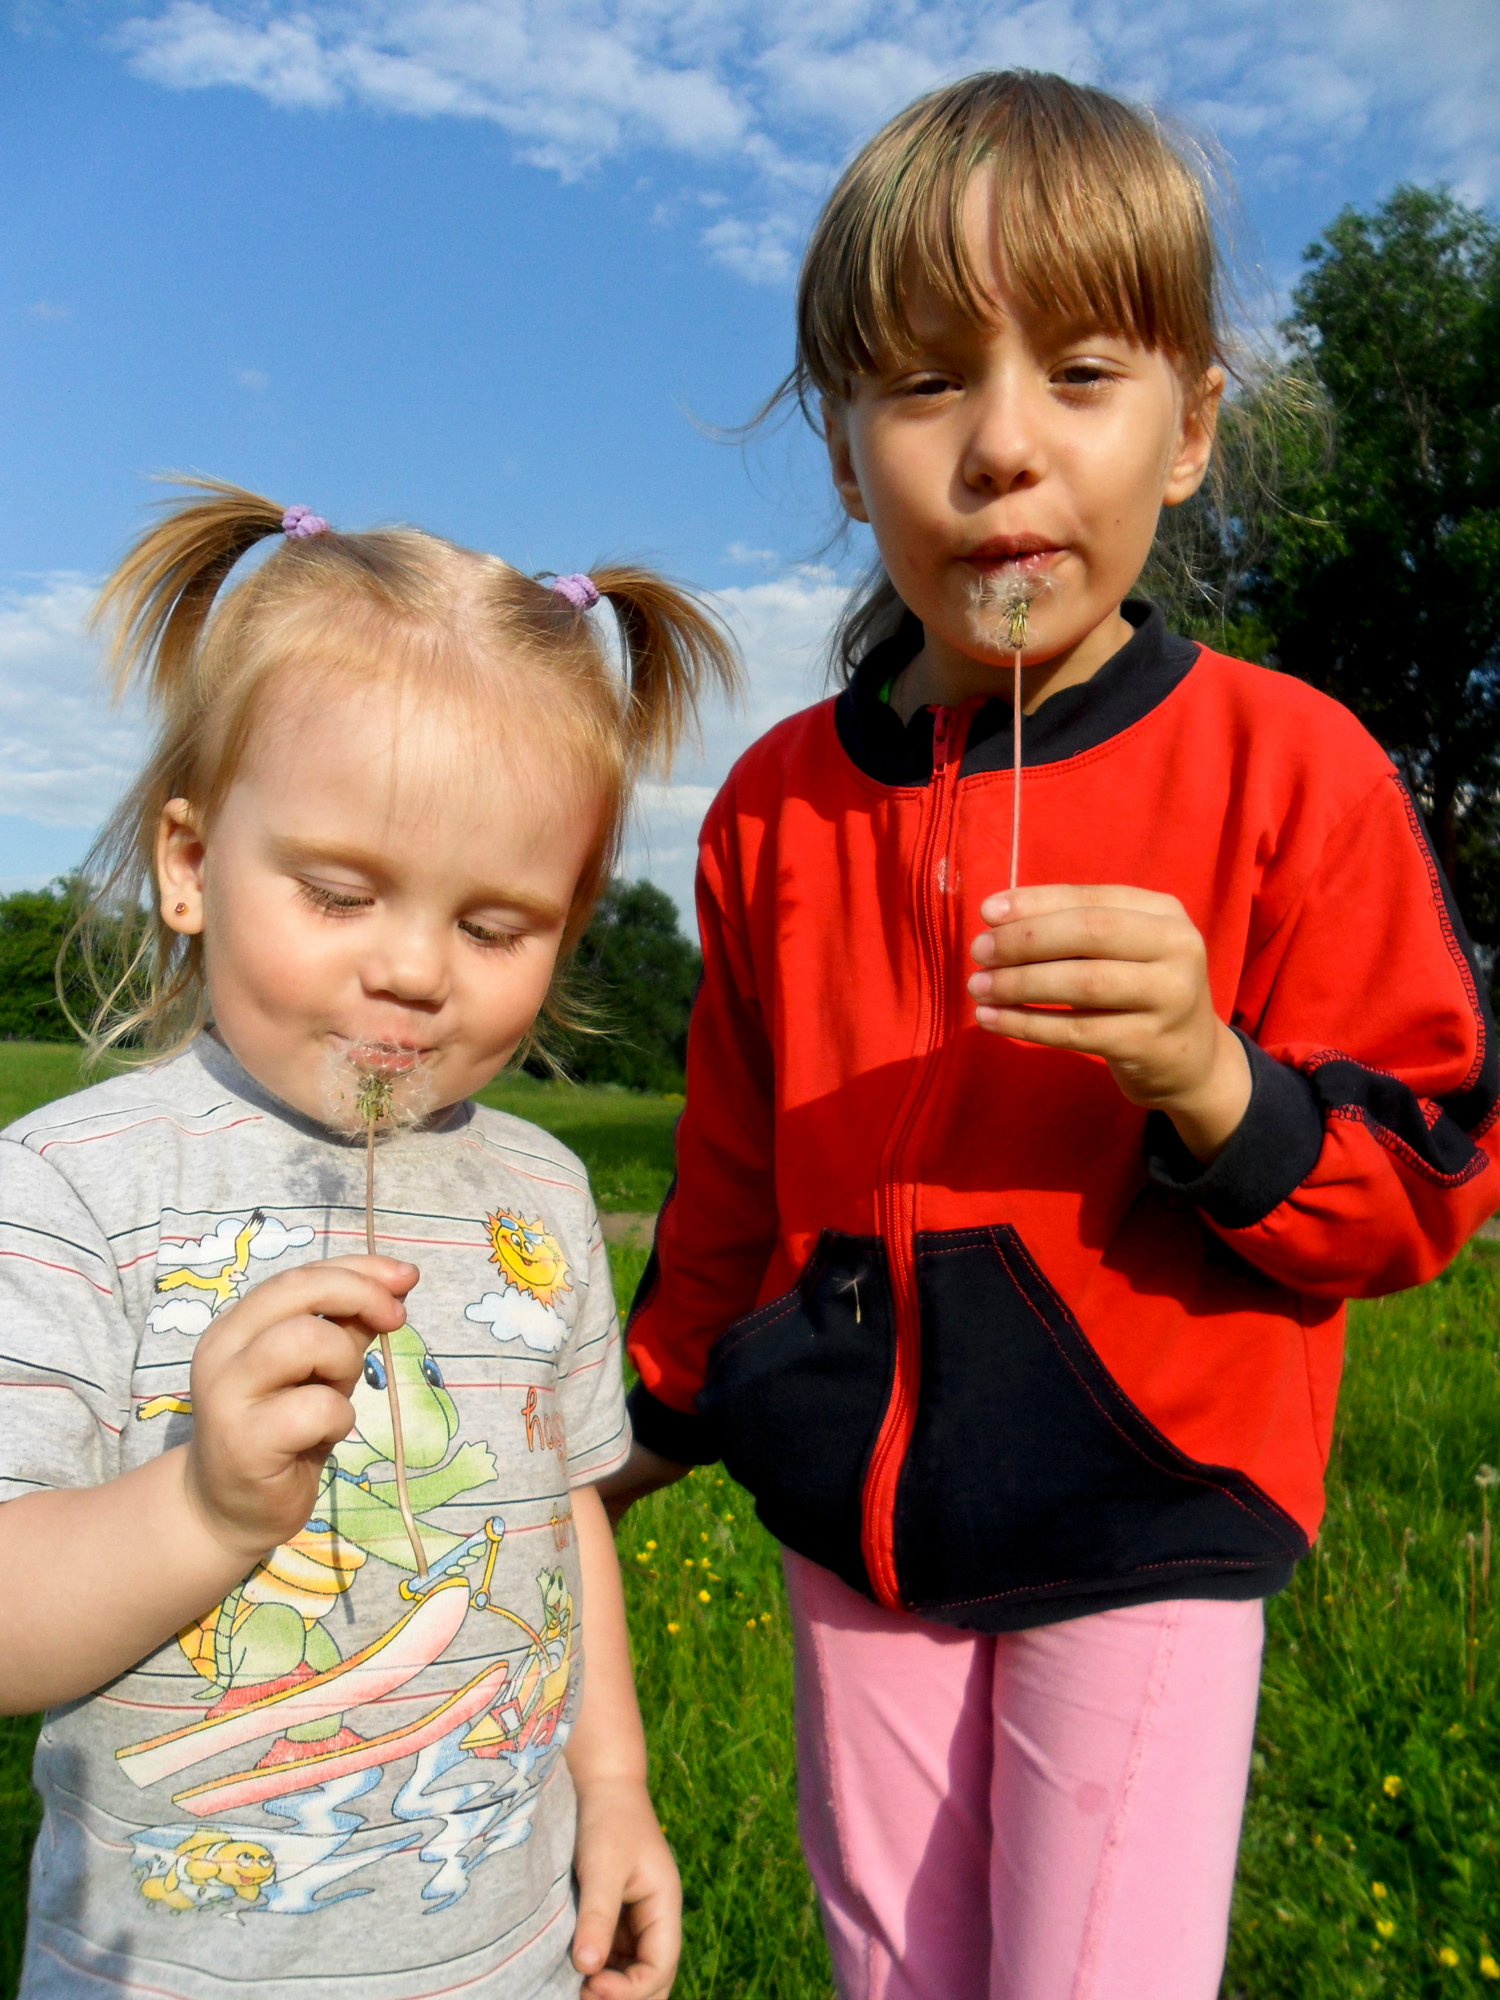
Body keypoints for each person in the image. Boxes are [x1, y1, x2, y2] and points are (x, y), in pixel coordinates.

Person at [602, 71, 1500, 2000]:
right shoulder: (775, 805)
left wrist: (1207, 1078)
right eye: (923, 385)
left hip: (1149, 1513)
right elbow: (729, 1184)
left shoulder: (1293, 770)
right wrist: (644, 1423)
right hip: (854, 1525)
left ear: (1189, 431)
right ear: (844, 455)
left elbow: (1423, 1176)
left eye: (1082, 372)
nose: (1003, 448)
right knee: (891, 1969)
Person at [0, 481, 738, 2000]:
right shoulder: (74, 1189)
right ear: (191, 863)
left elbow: (564, 1514)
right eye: (339, 893)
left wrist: (613, 1790)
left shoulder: (534, 1195)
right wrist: (205, 1509)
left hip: (511, 1954)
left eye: (494, 927)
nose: (412, 969)